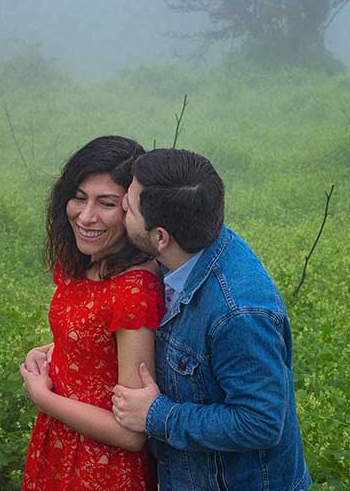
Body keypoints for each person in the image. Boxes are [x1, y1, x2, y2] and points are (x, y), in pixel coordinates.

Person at [111, 148, 312, 490]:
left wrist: (157, 414)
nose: (120, 209)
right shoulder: (190, 241)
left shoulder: (237, 314)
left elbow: (260, 422)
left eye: (127, 207)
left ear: (160, 237)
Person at [20, 136, 165, 491]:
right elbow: (96, 345)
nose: (86, 216)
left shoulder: (134, 291)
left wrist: (43, 397)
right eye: (79, 198)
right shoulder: (86, 263)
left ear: (133, 209)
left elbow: (131, 433)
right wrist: (55, 352)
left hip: (101, 467)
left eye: (107, 203)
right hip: (59, 444)